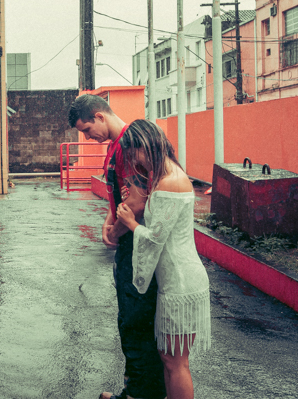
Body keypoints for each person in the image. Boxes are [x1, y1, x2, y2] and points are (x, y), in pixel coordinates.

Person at [68, 95, 166, 399]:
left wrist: (117, 227)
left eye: (86, 130)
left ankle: (141, 393)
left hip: (137, 245)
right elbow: (118, 194)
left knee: (135, 320)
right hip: (127, 242)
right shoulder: (114, 147)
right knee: (128, 319)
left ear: (99, 116)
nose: (87, 137)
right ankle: (135, 389)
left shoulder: (129, 144)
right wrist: (108, 221)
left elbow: (137, 201)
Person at [115, 119, 211, 399]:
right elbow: (159, 223)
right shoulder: (167, 178)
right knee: (169, 359)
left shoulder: (170, 182)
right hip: (176, 281)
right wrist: (136, 198)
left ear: (148, 144)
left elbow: (155, 239)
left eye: (134, 155)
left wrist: (130, 222)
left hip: (181, 283)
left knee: (176, 362)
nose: (134, 163)